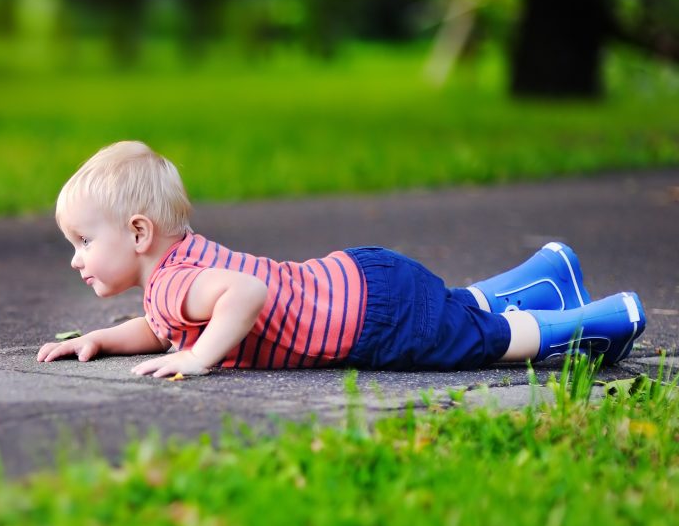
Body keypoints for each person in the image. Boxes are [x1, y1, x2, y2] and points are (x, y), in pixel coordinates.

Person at [36, 141, 647, 377]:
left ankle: (605, 321)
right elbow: (165, 324)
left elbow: (243, 296)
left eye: (84, 242)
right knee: (454, 310)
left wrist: (198, 359)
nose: (75, 259)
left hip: (369, 319)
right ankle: (548, 275)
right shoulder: (178, 275)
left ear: (139, 233)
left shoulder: (177, 285)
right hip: (363, 279)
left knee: (481, 339)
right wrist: (102, 339)